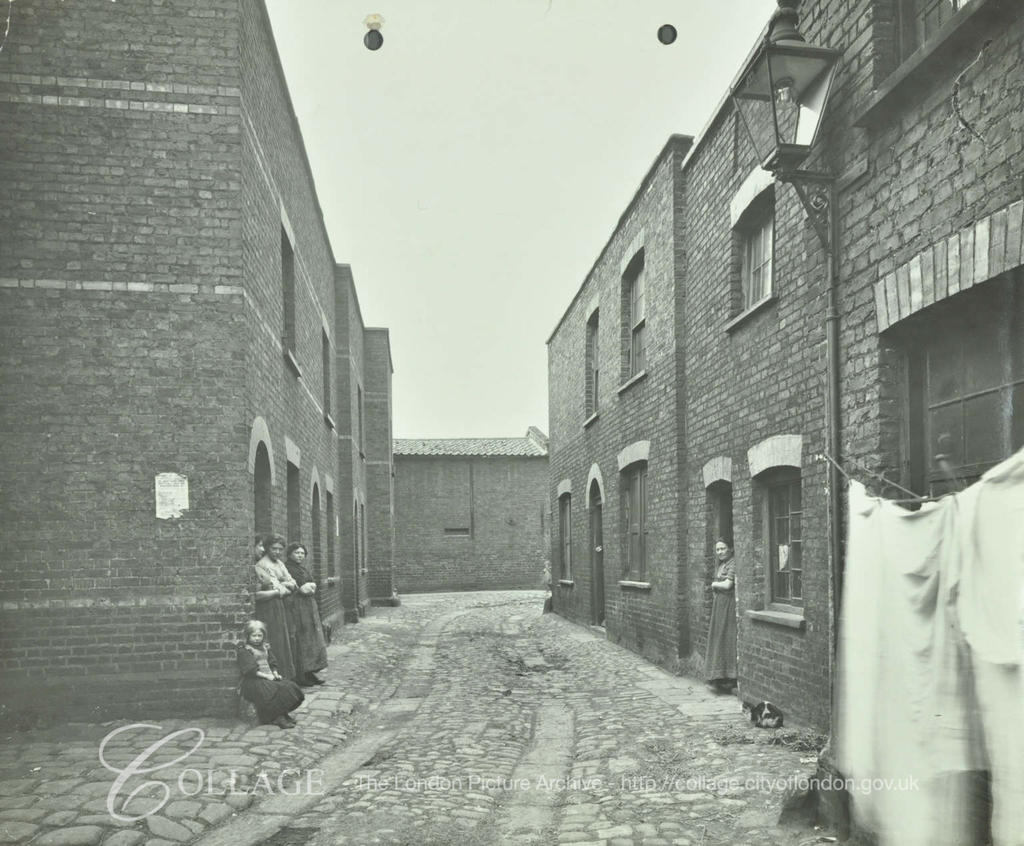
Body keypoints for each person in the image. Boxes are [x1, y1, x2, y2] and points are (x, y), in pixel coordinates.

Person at [236, 620, 304, 728]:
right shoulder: (244, 650)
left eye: (260, 635)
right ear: (248, 636)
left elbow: (272, 662)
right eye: (254, 636)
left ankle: (283, 712)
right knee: (272, 690)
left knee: (288, 686)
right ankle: (276, 717)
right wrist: (267, 676)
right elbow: (250, 670)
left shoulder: (265, 648)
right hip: (252, 681)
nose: (257, 638)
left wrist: (275, 673)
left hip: (268, 677)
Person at [252, 533, 298, 684]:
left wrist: (284, 585)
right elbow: (277, 589)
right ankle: (277, 676)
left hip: (280, 606)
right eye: (274, 548)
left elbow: (292, 583)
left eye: (280, 549)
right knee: (275, 640)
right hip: (269, 608)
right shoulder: (262, 565)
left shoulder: (279, 563)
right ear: (267, 548)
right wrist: (282, 587)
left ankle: (285, 675)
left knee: (285, 640)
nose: (277, 552)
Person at [283, 542, 328, 687]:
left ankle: (310, 671)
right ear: (290, 553)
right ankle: (301, 674)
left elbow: (312, 584)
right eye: (297, 552)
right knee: (301, 637)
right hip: (297, 607)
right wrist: (305, 588)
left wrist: (308, 587)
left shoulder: (302, 568)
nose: (300, 555)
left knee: (311, 638)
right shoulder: (287, 568)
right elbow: (300, 588)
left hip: (308, 607)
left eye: (302, 553)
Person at [704, 538, 737, 692]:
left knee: (726, 637)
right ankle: (719, 676)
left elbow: (728, 584)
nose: (720, 552)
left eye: (723, 548)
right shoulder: (723, 564)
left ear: (730, 548)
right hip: (720, 604)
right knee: (718, 637)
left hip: (728, 604)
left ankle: (729, 677)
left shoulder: (733, 563)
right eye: (717, 550)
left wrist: (714, 584)